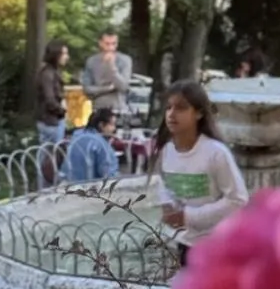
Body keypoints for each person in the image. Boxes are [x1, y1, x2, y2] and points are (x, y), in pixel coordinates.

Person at [154, 80, 248, 267]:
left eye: (181, 108)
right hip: (183, 244)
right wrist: (167, 205)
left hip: (216, 246)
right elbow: (162, 184)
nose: (172, 114)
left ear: (199, 113)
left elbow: (238, 200)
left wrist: (189, 217)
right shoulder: (166, 151)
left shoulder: (216, 153)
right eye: (169, 107)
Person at [81, 29, 133, 120]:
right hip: (98, 110)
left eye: (114, 44)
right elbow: (87, 89)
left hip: (119, 110)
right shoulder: (92, 61)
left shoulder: (125, 60)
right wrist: (108, 88)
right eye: (107, 44)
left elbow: (124, 86)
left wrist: (112, 67)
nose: (110, 48)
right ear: (100, 43)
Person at [64, 109, 121, 184]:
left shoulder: (76, 136)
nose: (114, 128)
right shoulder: (100, 144)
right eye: (112, 124)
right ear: (101, 125)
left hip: (68, 185)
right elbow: (110, 177)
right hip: (89, 187)